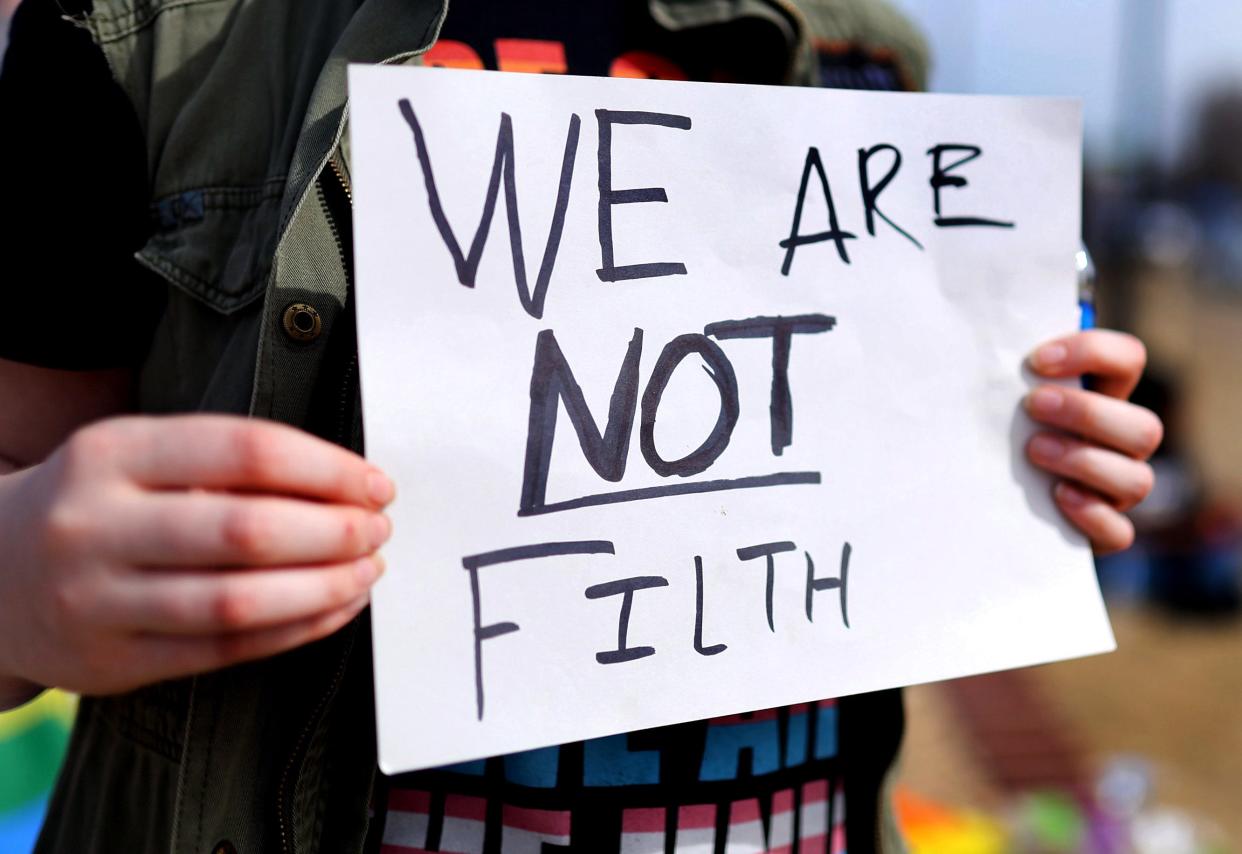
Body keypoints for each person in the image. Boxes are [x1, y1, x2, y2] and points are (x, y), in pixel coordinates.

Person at [0, 0, 1163, 851]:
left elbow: (885, 477)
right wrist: (16, 587)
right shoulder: (154, 33)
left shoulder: (861, 47)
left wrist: (1037, 447)